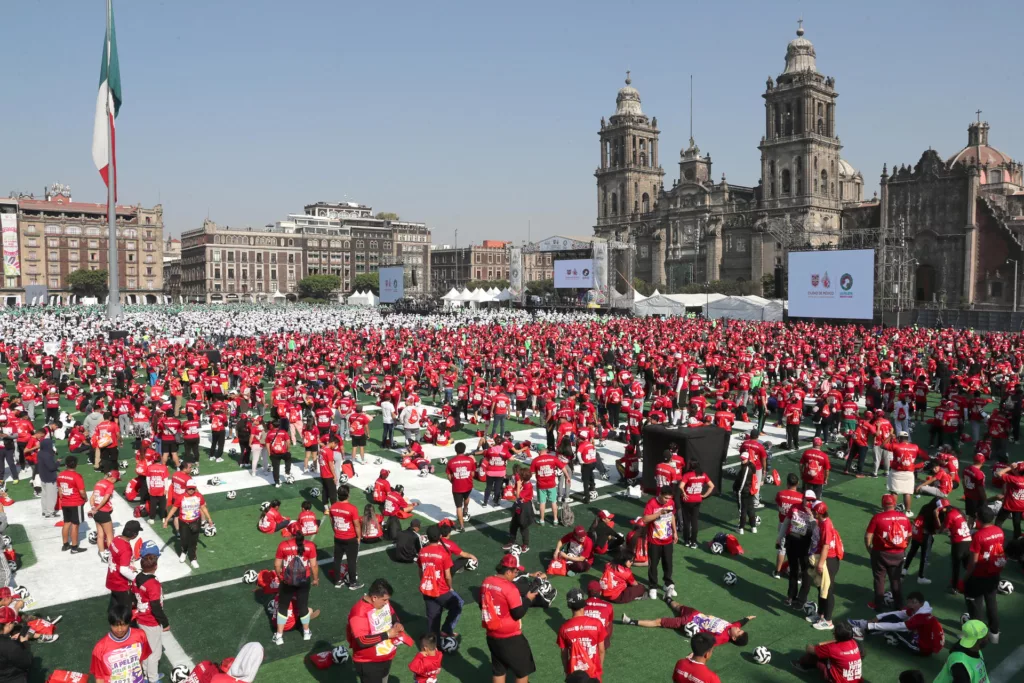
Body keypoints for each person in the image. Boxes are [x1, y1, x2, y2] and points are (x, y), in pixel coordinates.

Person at [481, 554, 537, 683]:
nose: (516, 574)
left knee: (499, 670)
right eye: (515, 571)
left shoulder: (486, 582)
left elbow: (482, 604)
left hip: (492, 635)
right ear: (508, 571)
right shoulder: (510, 588)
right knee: (522, 671)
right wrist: (528, 599)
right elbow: (518, 613)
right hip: (510, 638)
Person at [847, 591, 944, 656]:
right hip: (919, 637)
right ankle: (865, 626)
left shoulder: (921, 617)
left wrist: (872, 625)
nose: (907, 605)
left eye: (909, 603)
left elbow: (898, 626)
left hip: (921, 648)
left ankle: (864, 629)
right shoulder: (920, 608)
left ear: (915, 602)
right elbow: (900, 614)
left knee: (893, 628)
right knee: (894, 619)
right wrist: (879, 617)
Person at [346, 578, 406, 683]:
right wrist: (387, 635)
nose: (387, 602)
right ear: (374, 597)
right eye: (384, 600)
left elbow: (392, 614)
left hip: (386, 657)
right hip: (369, 664)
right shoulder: (359, 613)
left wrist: (396, 623)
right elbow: (362, 640)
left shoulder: (382, 603)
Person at [621, 600, 754, 646]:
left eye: (739, 631)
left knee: (659, 622)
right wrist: (747, 618)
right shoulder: (733, 627)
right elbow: (740, 622)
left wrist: (694, 652)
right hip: (696, 613)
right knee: (679, 607)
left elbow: (709, 644)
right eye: (739, 629)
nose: (738, 628)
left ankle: (631, 621)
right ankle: (668, 599)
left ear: (734, 637)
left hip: (688, 622)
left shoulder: (722, 637)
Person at [962, 506, 1004, 644]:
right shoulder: (999, 531)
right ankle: (994, 633)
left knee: (976, 607)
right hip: (993, 574)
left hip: (979, 575)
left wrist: (965, 579)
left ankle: (977, 637)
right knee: (992, 602)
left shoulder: (979, 536)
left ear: (979, 519)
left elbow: (973, 562)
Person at [272, 524, 319, 645]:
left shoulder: (283, 545)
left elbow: (277, 565)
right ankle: (307, 632)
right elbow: (313, 565)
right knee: (303, 606)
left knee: (283, 608)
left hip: (287, 581)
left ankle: (279, 636)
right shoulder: (310, 546)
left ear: (291, 533)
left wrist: (280, 576)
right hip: (304, 580)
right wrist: (315, 579)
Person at [865, 493, 911, 610]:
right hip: (898, 552)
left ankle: (878, 604)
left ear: (882, 504)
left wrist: (869, 548)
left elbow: (867, 536)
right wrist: (904, 547)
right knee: (895, 579)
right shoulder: (904, 517)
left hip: (880, 552)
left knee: (879, 578)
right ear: (895, 504)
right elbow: (909, 535)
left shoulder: (877, 518)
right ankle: (899, 605)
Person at [418, 525, 464, 638]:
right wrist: (450, 587)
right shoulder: (443, 553)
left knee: (432, 618)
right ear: (439, 536)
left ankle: (433, 645)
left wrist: (425, 583)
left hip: (427, 590)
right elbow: (448, 576)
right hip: (441, 590)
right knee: (457, 604)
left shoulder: (422, 552)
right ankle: (447, 629)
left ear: (428, 537)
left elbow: (420, 572)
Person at [134, 542, 169, 683]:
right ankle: (153, 679)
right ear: (155, 566)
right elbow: (155, 606)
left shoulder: (138, 577)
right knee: (155, 652)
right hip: (151, 620)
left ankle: (146, 676)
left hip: (141, 618)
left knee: (146, 649)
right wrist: (165, 622)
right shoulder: (152, 584)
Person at [90, 603, 152, 683]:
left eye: (123, 625)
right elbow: (99, 677)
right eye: (115, 625)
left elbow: (140, 661)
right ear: (110, 624)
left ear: (129, 622)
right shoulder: (100, 648)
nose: (119, 629)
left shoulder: (140, 636)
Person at [557, 588, 607, 682]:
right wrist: (599, 668)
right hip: (593, 672)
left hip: (574, 674)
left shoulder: (564, 628)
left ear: (569, 606)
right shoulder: (597, 623)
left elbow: (564, 654)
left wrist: (566, 671)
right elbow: (601, 650)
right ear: (583, 604)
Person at [808, 502, 844, 630]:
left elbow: (826, 546)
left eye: (813, 511)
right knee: (821, 587)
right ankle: (821, 614)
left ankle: (828, 620)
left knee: (827, 590)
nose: (812, 513)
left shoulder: (826, 525)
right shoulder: (824, 522)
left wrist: (821, 563)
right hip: (827, 559)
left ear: (818, 513)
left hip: (829, 560)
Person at [163, 478, 213, 569]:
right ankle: (184, 552)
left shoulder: (199, 496)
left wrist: (209, 518)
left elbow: (203, 508)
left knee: (193, 541)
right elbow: (174, 509)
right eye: (189, 488)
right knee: (184, 539)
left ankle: (193, 559)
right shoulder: (181, 497)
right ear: (186, 488)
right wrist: (166, 520)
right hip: (184, 522)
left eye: (193, 488)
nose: (191, 490)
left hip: (195, 522)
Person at [779, 490, 817, 608]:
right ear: (803, 498)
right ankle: (791, 596)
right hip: (792, 542)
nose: (808, 502)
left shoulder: (816, 511)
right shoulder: (795, 507)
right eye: (807, 499)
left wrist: (811, 517)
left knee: (806, 573)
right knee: (793, 570)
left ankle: (801, 599)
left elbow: (817, 531)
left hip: (806, 545)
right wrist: (779, 538)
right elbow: (786, 523)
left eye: (811, 500)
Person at [791, 621, 863, 682]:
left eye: (834, 633)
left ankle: (802, 665)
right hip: (856, 681)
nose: (833, 634)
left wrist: (817, 645)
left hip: (837, 681)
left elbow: (810, 649)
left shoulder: (832, 648)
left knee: (817, 654)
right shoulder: (854, 643)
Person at [642, 485, 677, 599]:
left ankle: (668, 584)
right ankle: (652, 587)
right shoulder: (651, 503)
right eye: (666, 498)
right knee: (653, 565)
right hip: (654, 540)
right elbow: (645, 519)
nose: (667, 500)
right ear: (660, 494)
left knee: (668, 563)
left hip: (667, 540)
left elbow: (672, 516)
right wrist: (659, 513)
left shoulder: (671, 503)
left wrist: (675, 532)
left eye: (669, 498)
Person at [327, 484, 363, 590]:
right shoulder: (352, 509)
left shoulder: (333, 507)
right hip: (350, 538)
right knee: (351, 561)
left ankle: (337, 581)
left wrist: (337, 532)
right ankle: (352, 583)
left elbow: (332, 522)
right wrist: (359, 537)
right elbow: (356, 525)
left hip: (338, 537)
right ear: (348, 495)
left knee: (337, 560)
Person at [106, 519, 143, 609]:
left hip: (111, 577)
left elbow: (116, 557)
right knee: (125, 608)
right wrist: (137, 578)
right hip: (120, 583)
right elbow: (123, 570)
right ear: (134, 535)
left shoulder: (116, 539)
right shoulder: (126, 549)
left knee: (114, 604)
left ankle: (113, 621)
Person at [678, 460, 714, 548]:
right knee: (694, 521)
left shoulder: (688, 475)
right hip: (697, 500)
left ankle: (686, 540)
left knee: (686, 521)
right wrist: (704, 495)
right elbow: (712, 486)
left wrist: (684, 493)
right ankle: (693, 541)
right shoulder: (703, 475)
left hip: (687, 500)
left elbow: (680, 486)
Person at [56, 455, 87, 553]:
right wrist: (85, 498)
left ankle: (65, 545)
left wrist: (64, 499)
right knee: (75, 524)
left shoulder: (60, 475)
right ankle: (74, 547)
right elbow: (82, 491)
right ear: (76, 465)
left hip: (65, 502)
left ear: (66, 464)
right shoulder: (77, 476)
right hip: (75, 502)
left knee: (66, 523)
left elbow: (60, 490)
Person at [530, 446, 568, 526]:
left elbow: (532, 473)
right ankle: (555, 519)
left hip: (541, 485)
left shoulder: (535, 460)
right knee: (553, 502)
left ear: (539, 451)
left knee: (542, 503)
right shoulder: (553, 458)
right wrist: (567, 476)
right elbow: (563, 467)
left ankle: (542, 520)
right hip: (551, 484)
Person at [90, 469, 120, 560]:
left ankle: (102, 553)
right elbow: (106, 498)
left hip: (96, 513)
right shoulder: (110, 485)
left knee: (100, 534)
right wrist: (98, 508)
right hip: (103, 512)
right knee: (110, 535)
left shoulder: (99, 483)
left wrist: (93, 508)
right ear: (113, 478)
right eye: (116, 480)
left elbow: (92, 497)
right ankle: (112, 556)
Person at [446, 442, 476, 531]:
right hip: (468, 484)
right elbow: (473, 473)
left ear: (455, 450)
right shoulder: (470, 460)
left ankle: (462, 526)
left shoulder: (451, 461)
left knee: (458, 506)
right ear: (464, 449)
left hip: (457, 486)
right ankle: (465, 509)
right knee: (467, 497)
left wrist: (453, 481)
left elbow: (448, 475)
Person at [0, 605, 32, 683]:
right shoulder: (9, 645)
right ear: (8, 624)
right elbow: (27, 663)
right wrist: (24, 642)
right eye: (13, 623)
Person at [506, 467, 535, 554]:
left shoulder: (528, 486)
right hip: (519, 506)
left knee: (523, 526)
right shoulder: (523, 480)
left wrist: (518, 486)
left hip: (525, 507)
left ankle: (525, 545)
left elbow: (518, 496)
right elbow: (517, 475)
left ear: (523, 477)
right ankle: (511, 541)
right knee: (514, 524)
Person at [36, 427, 58, 519]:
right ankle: (50, 512)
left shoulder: (40, 453)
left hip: (43, 477)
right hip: (50, 478)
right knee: (51, 495)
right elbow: (51, 467)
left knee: (44, 495)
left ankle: (44, 511)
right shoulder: (47, 455)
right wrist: (58, 463)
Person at [733, 451, 758, 535]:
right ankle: (753, 526)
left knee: (742, 510)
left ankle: (741, 528)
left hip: (743, 491)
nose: (742, 460)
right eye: (741, 459)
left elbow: (743, 481)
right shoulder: (751, 466)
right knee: (750, 509)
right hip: (750, 491)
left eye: (743, 459)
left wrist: (738, 490)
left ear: (747, 459)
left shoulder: (746, 468)